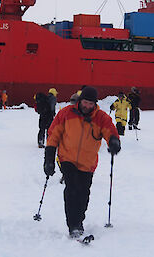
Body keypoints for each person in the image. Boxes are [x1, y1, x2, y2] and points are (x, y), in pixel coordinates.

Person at [43, 86, 121, 238]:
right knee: (71, 190)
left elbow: (110, 130)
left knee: (83, 193)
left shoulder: (101, 117)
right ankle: (73, 225)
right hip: (67, 158)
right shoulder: (65, 113)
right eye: (85, 102)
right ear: (80, 100)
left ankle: (79, 220)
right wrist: (49, 159)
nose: (87, 106)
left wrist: (114, 141)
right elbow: (53, 135)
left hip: (88, 163)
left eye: (91, 104)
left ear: (95, 104)